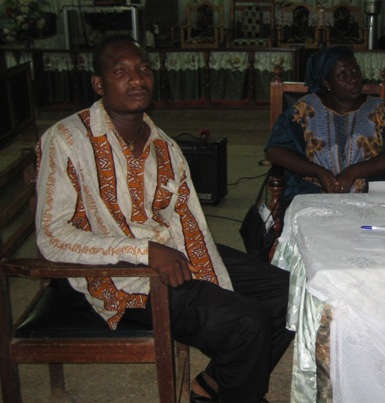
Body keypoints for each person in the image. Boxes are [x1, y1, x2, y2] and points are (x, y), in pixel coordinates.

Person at [35, 34, 293, 403]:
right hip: (109, 275)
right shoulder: (66, 139)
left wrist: (210, 276)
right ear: (99, 84)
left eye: (144, 69)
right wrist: (144, 251)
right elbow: (52, 236)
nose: (136, 79)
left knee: (290, 293)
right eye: (121, 71)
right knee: (245, 322)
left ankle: (216, 386)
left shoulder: (164, 145)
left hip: (169, 252)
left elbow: (187, 220)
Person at [265, 45, 385, 210]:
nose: (353, 79)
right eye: (343, 75)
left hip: (368, 194)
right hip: (313, 191)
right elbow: (274, 150)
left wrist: (354, 171)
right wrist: (317, 171)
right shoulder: (304, 109)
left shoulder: (379, 110)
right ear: (326, 82)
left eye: (355, 71)